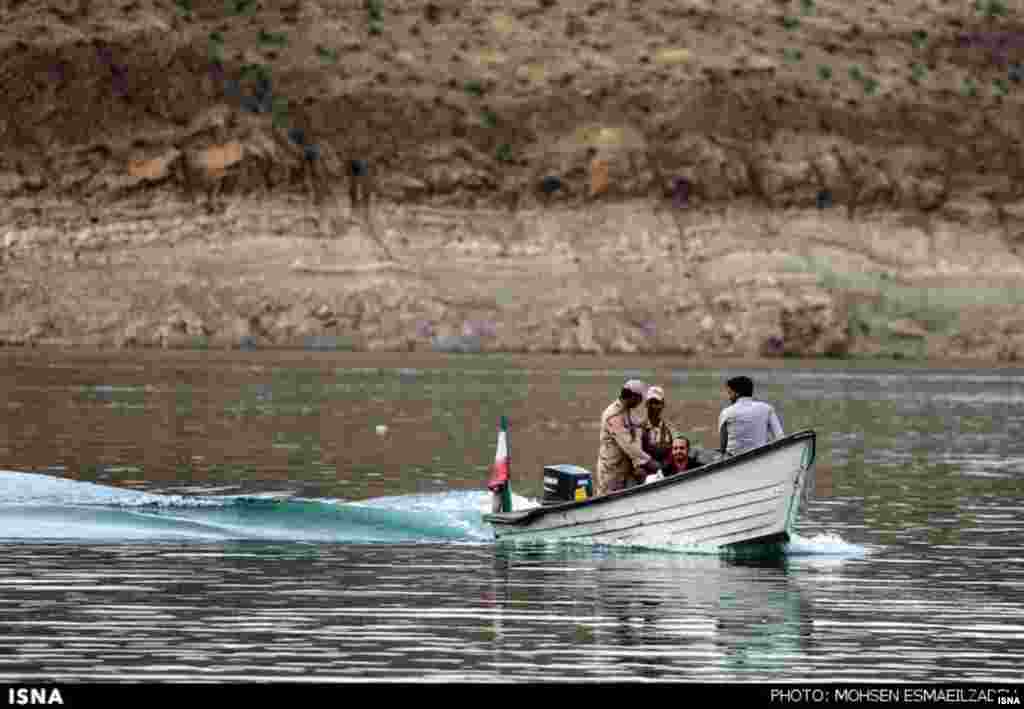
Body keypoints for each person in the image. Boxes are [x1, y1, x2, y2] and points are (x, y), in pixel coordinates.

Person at [596, 380, 663, 495]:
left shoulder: (629, 413)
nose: (641, 402)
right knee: (607, 502)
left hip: (626, 469)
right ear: (633, 396)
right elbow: (629, 445)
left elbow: (636, 436)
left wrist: (638, 464)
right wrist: (649, 462)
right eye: (640, 398)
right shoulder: (613, 415)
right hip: (611, 470)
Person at [717, 375, 784, 457]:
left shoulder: (726, 412)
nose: (729, 397)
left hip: (733, 460)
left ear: (737, 393)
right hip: (760, 458)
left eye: (730, 393)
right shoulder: (767, 408)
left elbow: (722, 448)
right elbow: (780, 437)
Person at [640, 386, 676, 467]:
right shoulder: (637, 428)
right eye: (650, 402)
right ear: (646, 404)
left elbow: (674, 452)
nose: (653, 406)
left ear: (663, 405)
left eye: (656, 403)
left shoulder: (670, 429)